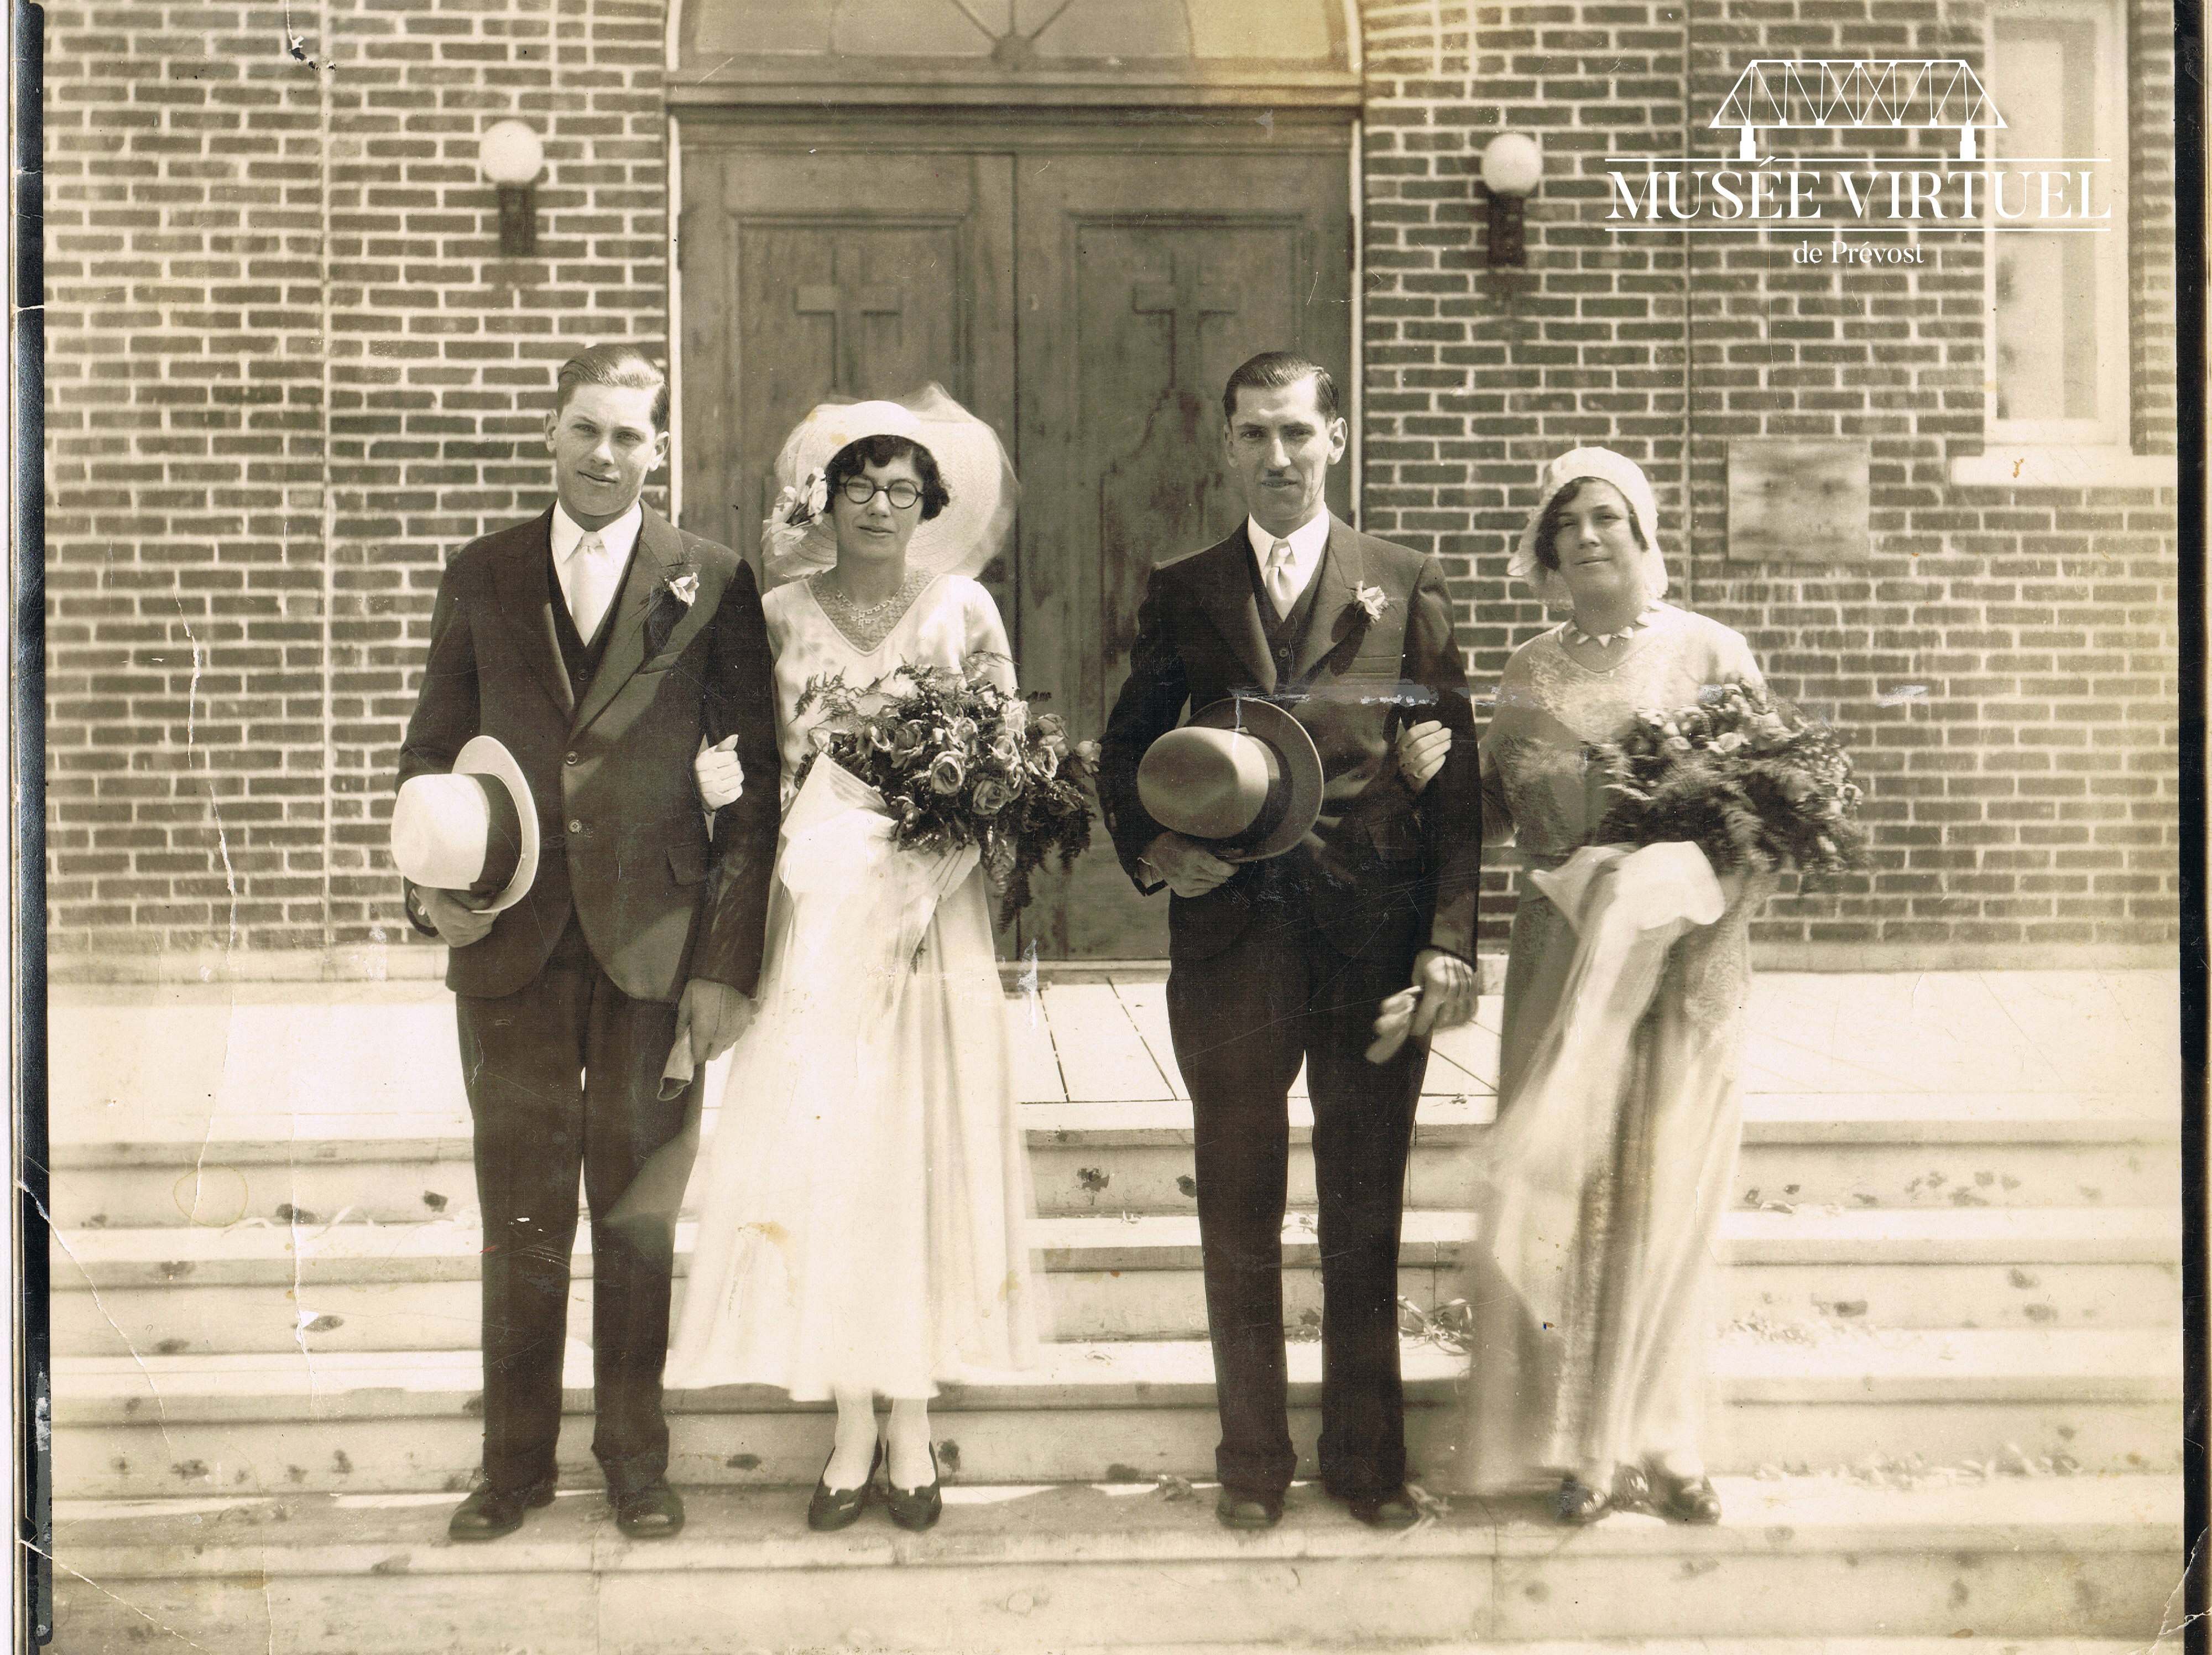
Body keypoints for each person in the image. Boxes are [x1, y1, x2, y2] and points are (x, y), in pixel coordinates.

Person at [396, 343, 780, 1543]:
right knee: (520, 1211)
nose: (604, 454)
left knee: (634, 1216)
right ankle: (511, 1465)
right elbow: (429, 749)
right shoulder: (482, 572)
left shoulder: (713, 580)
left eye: (628, 434)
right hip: (509, 942)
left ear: (658, 449)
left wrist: (722, 969)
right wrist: (431, 894)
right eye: (585, 430)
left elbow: (753, 793)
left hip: (654, 954)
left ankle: (634, 1458)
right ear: (549, 437)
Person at [1095, 351, 1484, 1533]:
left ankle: (1366, 1461)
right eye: (1254, 434)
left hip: (1370, 942)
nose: (1277, 457)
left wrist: (1447, 942)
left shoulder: (1402, 581)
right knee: (1237, 1202)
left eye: (1297, 434)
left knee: (1364, 1206)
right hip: (1229, 944)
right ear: (1224, 445)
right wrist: (1152, 850)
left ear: (1336, 439)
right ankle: (1251, 1459)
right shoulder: (1182, 586)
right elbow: (1121, 751)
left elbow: (1454, 775)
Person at [665, 389, 1037, 1534]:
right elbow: (753, 763)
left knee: (914, 1148)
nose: (878, 502)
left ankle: (912, 1410)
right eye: (857, 483)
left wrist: (944, 854)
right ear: (822, 498)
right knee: (828, 1153)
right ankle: (847, 1416)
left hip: (930, 920)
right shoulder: (775, 614)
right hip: (815, 920)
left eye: (901, 487)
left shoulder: (961, 607)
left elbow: (1008, 756)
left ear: (930, 505)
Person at [1397, 446, 1767, 1526]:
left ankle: (1668, 1439)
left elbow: (1769, 812)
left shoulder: (1709, 649)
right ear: (1546, 549)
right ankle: (1571, 1449)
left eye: (1607, 515)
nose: (1589, 535)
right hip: (1563, 960)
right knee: (1563, 1196)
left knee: (1662, 1199)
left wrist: (1689, 896)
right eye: (1568, 524)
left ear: (1643, 528)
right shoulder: (1524, 668)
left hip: (1682, 963)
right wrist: (1441, 778)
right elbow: (1506, 815)